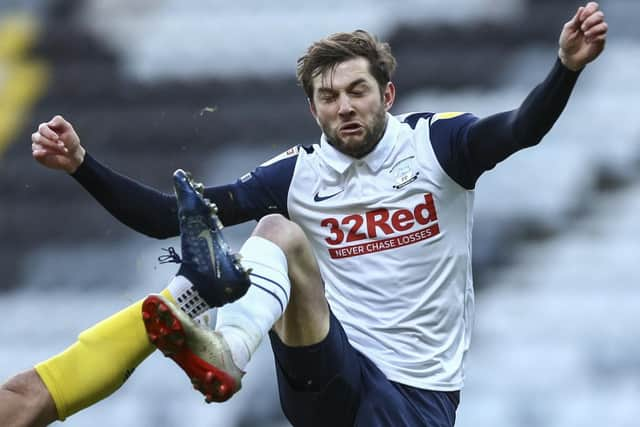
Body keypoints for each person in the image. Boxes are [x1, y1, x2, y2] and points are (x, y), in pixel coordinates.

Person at [3, 2, 608, 426]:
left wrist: (566, 68)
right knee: (277, 232)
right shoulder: (298, 172)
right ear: (312, 109)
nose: (345, 107)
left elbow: (523, 129)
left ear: (387, 96)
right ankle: (228, 350)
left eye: (357, 91)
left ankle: (204, 312)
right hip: (328, 369)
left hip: (417, 399)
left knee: (271, 238)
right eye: (328, 97)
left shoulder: (438, 145)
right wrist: (83, 164)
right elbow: (168, 219)